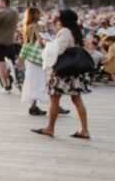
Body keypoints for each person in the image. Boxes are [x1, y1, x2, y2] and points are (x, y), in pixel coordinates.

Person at [31, 9, 91, 140]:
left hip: (63, 71)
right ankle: (84, 129)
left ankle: (50, 128)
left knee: (54, 98)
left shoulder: (65, 31)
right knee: (77, 99)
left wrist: (47, 43)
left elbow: (59, 50)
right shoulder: (76, 31)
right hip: (73, 71)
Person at [19, 7, 50, 116]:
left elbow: (26, 42)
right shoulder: (36, 26)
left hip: (29, 56)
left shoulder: (27, 26)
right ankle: (35, 105)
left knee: (32, 81)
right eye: (38, 13)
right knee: (40, 80)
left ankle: (34, 105)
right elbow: (41, 41)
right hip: (37, 56)